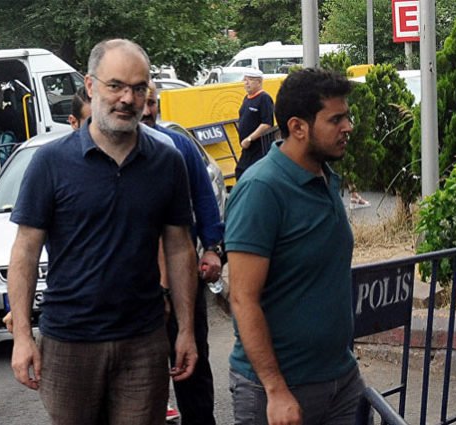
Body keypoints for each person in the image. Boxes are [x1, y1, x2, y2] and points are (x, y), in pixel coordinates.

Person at [6, 39, 198, 425]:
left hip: (143, 342)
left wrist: (186, 330)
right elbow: (25, 251)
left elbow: (179, 248)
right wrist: (22, 336)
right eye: (116, 86)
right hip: (68, 343)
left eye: (139, 88)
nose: (128, 98)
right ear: (91, 86)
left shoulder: (167, 162)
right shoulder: (50, 163)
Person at [225, 68, 363, 425]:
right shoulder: (261, 189)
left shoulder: (325, 176)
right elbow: (242, 298)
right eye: (336, 119)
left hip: (340, 380)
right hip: (279, 392)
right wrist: (275, 390)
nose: (348, 127)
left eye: (347, 116)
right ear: (298, 127)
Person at [142, 81, 224, 425]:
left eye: (152, 102)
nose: (147, 110)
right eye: (142, 102)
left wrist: (213, 249)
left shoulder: (178, 146)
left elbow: (205, 199)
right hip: (133, 287)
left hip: (183, 278)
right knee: (140, 380)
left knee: (192, 366)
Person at [234, 68, 274, 180]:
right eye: (245, 80)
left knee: (251, 175)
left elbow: (267, 124)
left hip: (259, 148)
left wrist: (250, 139)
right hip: (247, 148)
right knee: (240, 172)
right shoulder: (246, 99)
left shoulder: (264, 98)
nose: (246, 83)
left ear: (259, 82)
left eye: (250, 80)